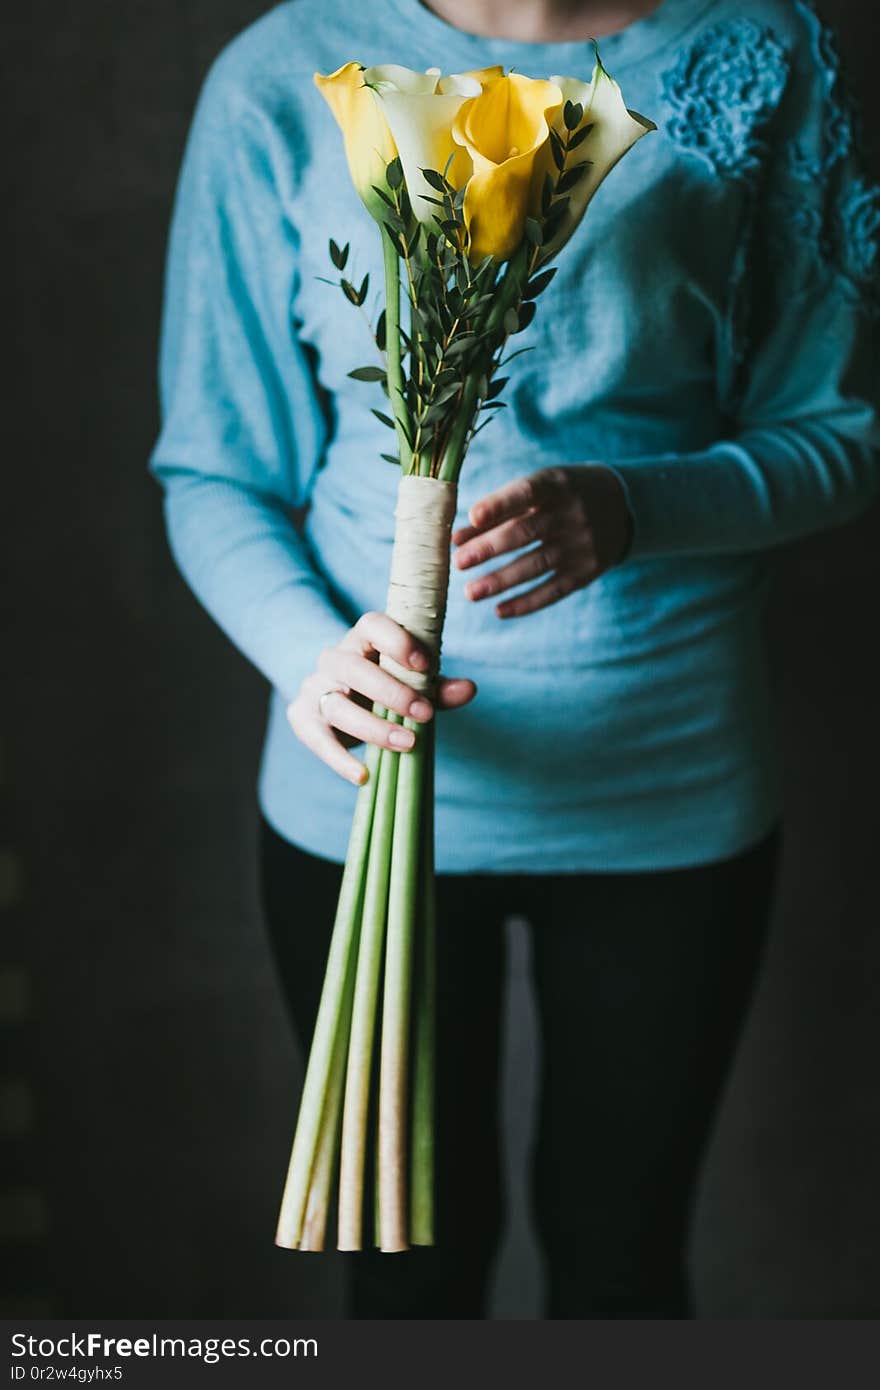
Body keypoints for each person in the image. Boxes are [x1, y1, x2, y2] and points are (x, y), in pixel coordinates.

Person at [150, 0, 879, 1318]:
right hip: (365, 795)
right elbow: (214, 465)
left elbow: (837, 433)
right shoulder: (278, 73)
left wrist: (639, 504)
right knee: (410, 1281)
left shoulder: (759, 52)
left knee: (622, 1263)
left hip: (669, 781)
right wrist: (313, 657)